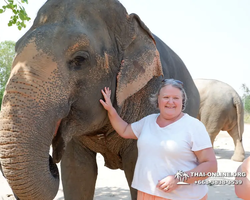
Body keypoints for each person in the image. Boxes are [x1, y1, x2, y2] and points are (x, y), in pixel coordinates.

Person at [100, 78, 217, 200]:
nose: (170, 102)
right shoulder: (148, 121)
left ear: (182, 102)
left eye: (176, 98)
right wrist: (110, 109)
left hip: (183, 197)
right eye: (166, 97)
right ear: (158, 101)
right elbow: (124, 130)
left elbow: (211, 166)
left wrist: (179, 179)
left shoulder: (194, 126)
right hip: (146, 193)